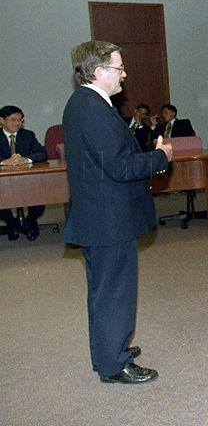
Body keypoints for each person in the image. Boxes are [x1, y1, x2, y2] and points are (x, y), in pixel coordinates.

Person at [64, 40, 172, 384]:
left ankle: (109, 350)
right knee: (114, 292)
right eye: (119, 68)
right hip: (108, 220)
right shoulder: (93, 109)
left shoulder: (85, 103)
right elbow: (119, 167)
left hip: (100, 216)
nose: (124, 74)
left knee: (104, 290)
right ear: (99, 72)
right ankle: (114, 363)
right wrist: (160, 157)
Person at [0, 105, 48, 241]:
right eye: (13, 119)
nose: (17, 123)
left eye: (20, 120)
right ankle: (11, 223)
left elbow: (42, 153)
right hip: (3, 182)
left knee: (42, 196)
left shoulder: (28, 135)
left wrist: (26, 159)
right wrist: (4, 162)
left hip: (27, 180)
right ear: (2, 120)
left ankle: (29, 221)